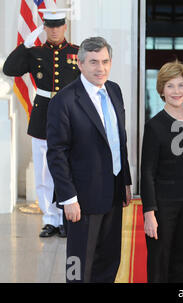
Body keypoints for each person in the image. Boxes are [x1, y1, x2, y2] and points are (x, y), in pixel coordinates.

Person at [46, 37, 132, 283]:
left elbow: (119, 141)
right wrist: (68, 198)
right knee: (79, 264)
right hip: (81, 200)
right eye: (93, 62)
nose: (100, 68)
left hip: (113, 193)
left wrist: (125, 181)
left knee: (108, 260)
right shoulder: (64, 100)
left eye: (105, 61)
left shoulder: (114, 90)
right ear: (80, 64)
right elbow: (56, 153)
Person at [2, 8, 80, 238]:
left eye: (58, 25)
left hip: (69, 116)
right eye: (50, 26)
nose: (54, 30)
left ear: (65, 26)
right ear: (44, 27)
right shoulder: (35, 52)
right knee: (44, 170)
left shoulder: (76, 52)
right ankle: (50, 219)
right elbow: (9, 69)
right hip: (43, 116)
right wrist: (24, 46)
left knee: (67, 169)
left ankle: (65, 216)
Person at [141, 61, 183, 283]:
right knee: (159, 262)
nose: (176, 92)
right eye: (170, 86)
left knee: (180, 261)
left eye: (180, 85)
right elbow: (147, 171)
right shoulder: (154, 126)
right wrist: (149, 212)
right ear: (161, 90)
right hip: (163, 206)